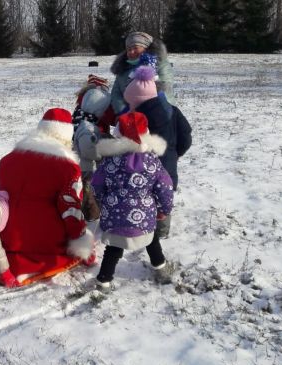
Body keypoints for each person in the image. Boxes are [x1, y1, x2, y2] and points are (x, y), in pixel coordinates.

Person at [0, 108, 94, 285]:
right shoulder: (68, 167)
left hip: (5, 239)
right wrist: (82, 243)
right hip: (44, 243)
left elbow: (0, 199)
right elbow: (71, 210)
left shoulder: (7, 160)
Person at [91, 112, 174, 290]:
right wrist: (164, 209)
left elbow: (96, 184)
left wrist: (103, 201)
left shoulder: (110, 162)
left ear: (118, 134)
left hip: (114, 216)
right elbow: (165, 187)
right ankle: (160, 268)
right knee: (151, 240)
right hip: (144, 216)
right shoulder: (152, 162)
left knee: (113, 248)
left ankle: (104, 280)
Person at [123, 65, 192, 237]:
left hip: (144, 169)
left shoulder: (138, 118)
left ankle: (144, 227)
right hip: (167, 165)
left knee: (146, 197)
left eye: (131, 103)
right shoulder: (173, 110)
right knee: (164, 196)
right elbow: (186, 134)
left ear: (137, 100)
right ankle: (162, 231)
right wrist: (178, 152)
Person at [72, 75, 113, 236]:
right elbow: (90, 150)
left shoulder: (83, 112)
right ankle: (91, 217)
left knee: (87, 189)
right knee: (88, 192)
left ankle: (90, 212)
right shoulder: (88, 126)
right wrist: (103, 148)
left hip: (84, 159)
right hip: (85, 164)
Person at [110, 31, 174, 116]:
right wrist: (123, 111)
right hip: (129, 115)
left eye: (135, 48)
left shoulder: (160, 64)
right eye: (129, 49)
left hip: (159, 113)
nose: (132, 52)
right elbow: (116, 93)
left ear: (146, 48)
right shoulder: (122, 68)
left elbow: (164, 87)